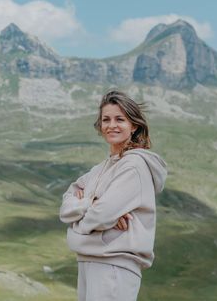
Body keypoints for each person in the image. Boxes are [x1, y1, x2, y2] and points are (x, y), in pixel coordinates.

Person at [59, 90, 167, 301]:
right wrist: (91, 203)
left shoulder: (134, 165)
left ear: (134, 125)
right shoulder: (98, 170)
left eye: (120, 119)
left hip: (114, 264)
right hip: (89, 260)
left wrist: (79, 220)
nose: (112, 125)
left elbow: (101, 215)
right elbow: (66, 206)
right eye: (106, 119)